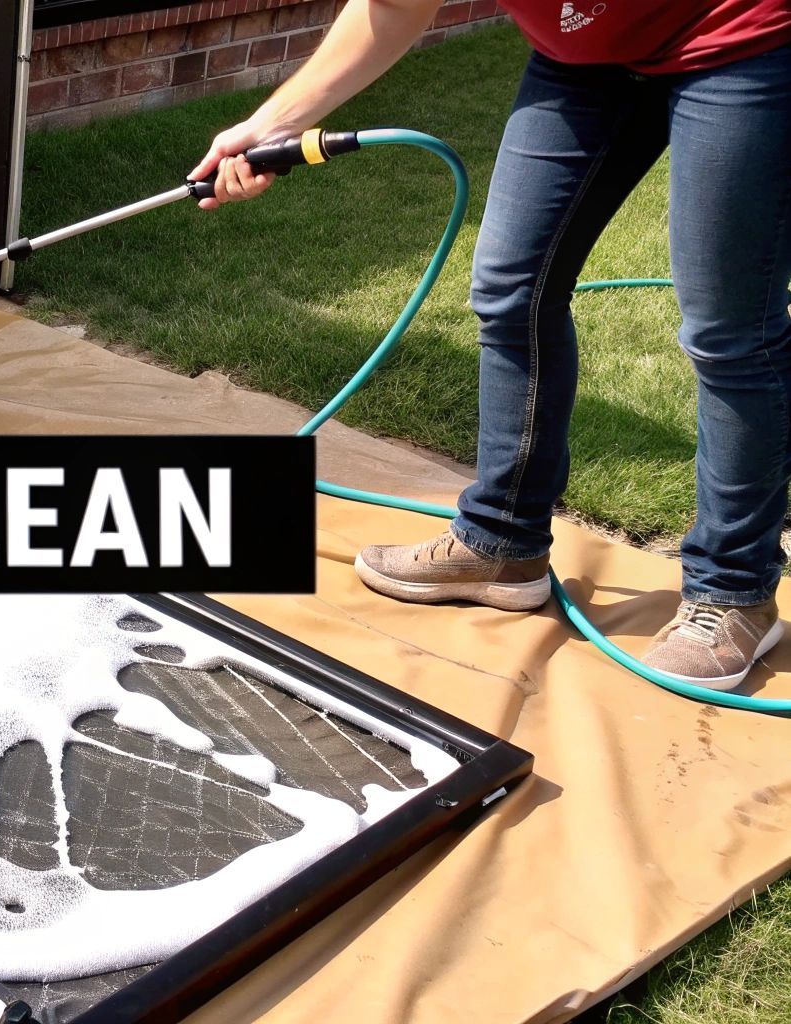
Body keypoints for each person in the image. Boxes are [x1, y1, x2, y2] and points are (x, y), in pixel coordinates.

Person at [194, 0, 791, 689]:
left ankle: (733, 590)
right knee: (513, 288)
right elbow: (393, 9)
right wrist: (269, 125)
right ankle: (501, 540)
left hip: (739, 39)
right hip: (582, 60)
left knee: (728, 332)